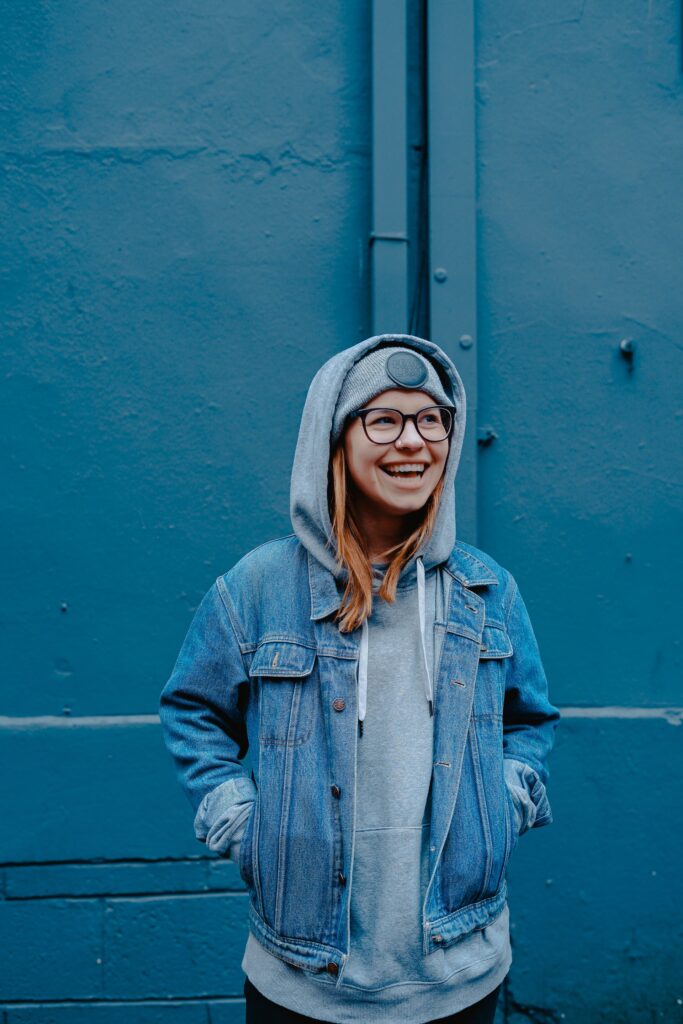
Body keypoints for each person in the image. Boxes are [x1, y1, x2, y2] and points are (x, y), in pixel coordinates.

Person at [159, 334, 560, 1024]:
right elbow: (193, 711)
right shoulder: (259, 588)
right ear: (334, 438)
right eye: (384, 419)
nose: (412, 441)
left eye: (430, 419)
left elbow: (529, 722)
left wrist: (500, 803)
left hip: (459, 970)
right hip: (304, 979)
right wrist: (247, 828)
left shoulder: (485, 589)